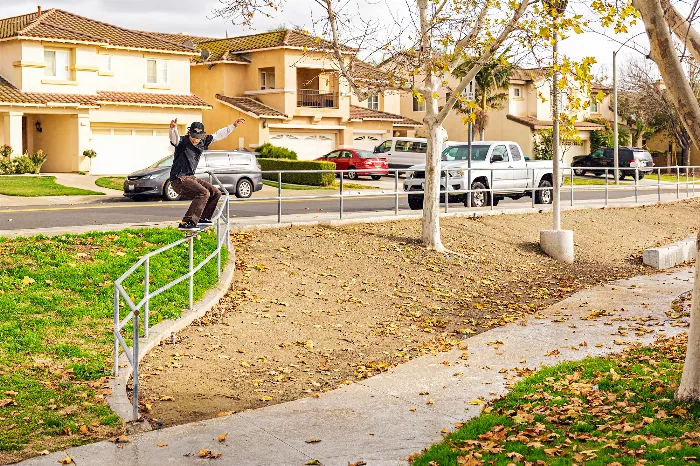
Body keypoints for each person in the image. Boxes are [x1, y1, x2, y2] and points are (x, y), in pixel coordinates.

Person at [168, 117, 245, 231]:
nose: (195, 140)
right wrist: (173, 129)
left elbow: (219, 135)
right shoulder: (182, 141)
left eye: (198, 138)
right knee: (204, 193)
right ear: (189, 133)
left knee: (215, 192)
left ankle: (203, 218)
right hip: (178, 180)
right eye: (193, 137)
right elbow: (174, 139)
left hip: (190, 178)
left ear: (203, 135)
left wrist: (233, 126)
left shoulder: (204, 140)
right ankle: (187, 221)